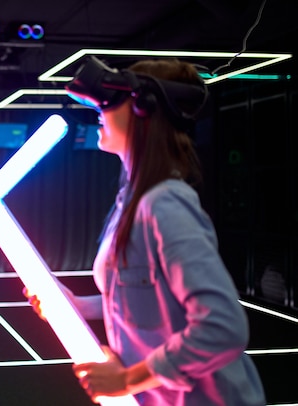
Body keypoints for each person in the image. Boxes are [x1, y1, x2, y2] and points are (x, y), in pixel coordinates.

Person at [24, 57, 265, 405]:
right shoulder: (130, 202)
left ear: (143, 109)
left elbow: (223, 328)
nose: (99, 113)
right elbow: (143, 300)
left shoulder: (165, 204)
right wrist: (77, 306)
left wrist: (127, 379)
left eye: (111, 102)